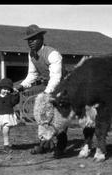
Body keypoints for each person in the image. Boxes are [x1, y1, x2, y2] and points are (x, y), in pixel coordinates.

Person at [15, 24, 67, 156]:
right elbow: (32, 74)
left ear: (41, 38)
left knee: (58, 119)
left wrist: (47, 94)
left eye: (34, 39)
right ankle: (44, 144)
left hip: (62, 88)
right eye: (29, 40)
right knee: (42, 118)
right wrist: (22, 85)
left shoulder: (52, 54)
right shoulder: (31, 55)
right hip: (48, 88)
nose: (31, 42)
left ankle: (60, 147)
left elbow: (56, 77)